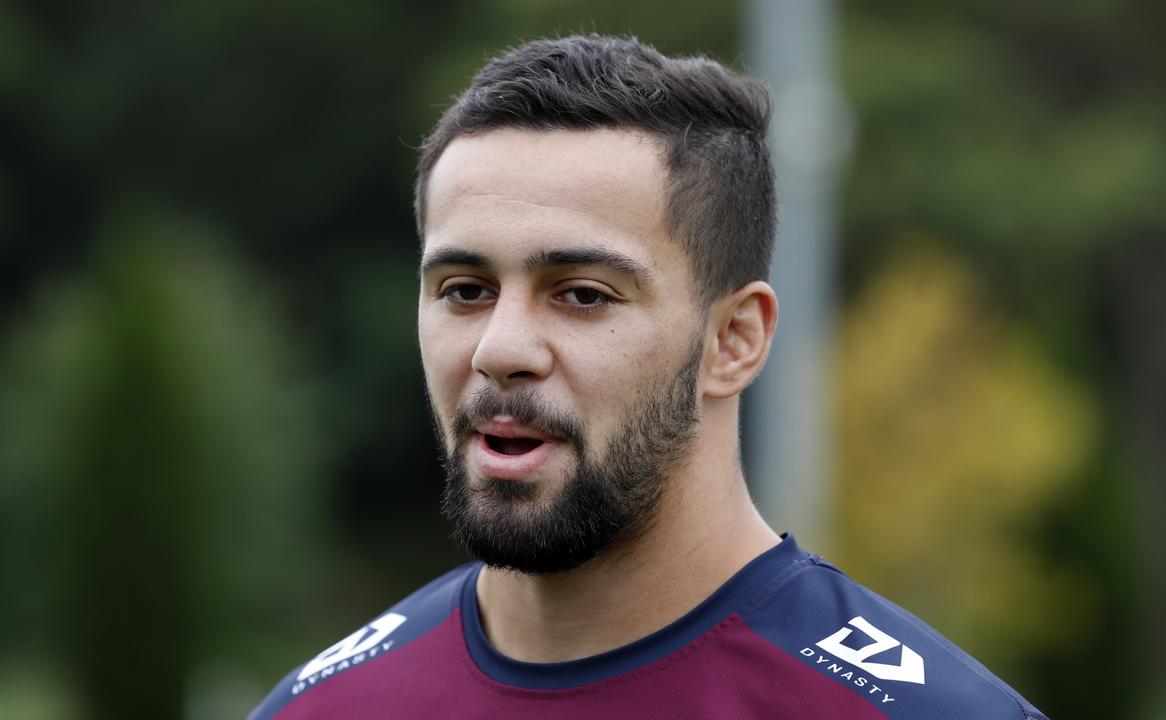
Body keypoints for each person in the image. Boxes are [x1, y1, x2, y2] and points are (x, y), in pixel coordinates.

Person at [250, 34, 1049, 720]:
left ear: (733, 340)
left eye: (581, 295)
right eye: (465, 291)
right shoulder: (321, 707)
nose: (500, 348)